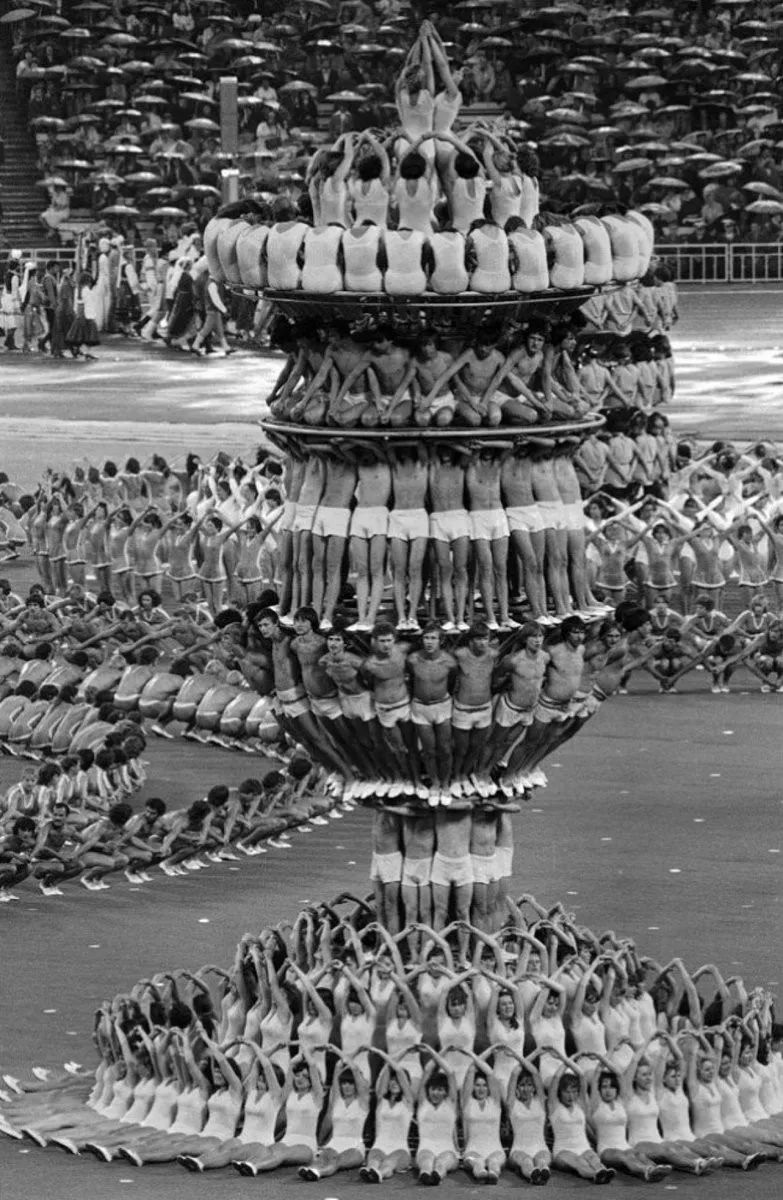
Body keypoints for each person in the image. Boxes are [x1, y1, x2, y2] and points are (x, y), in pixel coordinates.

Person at [407, 624, 456, 799]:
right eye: (426, 638)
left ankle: (445, 783)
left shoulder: (449, 662)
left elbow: (453, 682)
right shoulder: (413, 659)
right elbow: (410, 680)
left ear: (441, 641)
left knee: (445, 748)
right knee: (428, 750)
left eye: (433, 638)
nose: (429, 642)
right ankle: (435, 782)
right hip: (420, 707)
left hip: (442, 705)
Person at [360, 1053, 415, 1184]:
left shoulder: (408, 1102)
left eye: (397, 1081)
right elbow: (385, 1071)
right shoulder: (381, 1100)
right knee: (373, 1161)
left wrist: (405, 1051)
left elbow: (400, 1072)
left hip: (400, 1149)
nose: (394, 1083)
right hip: (379, 1146)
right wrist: (386, 1058)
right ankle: (371, 1171)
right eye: (392, 1080)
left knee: (389, 1163)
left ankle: (379, 1174)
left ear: (404, 1083)